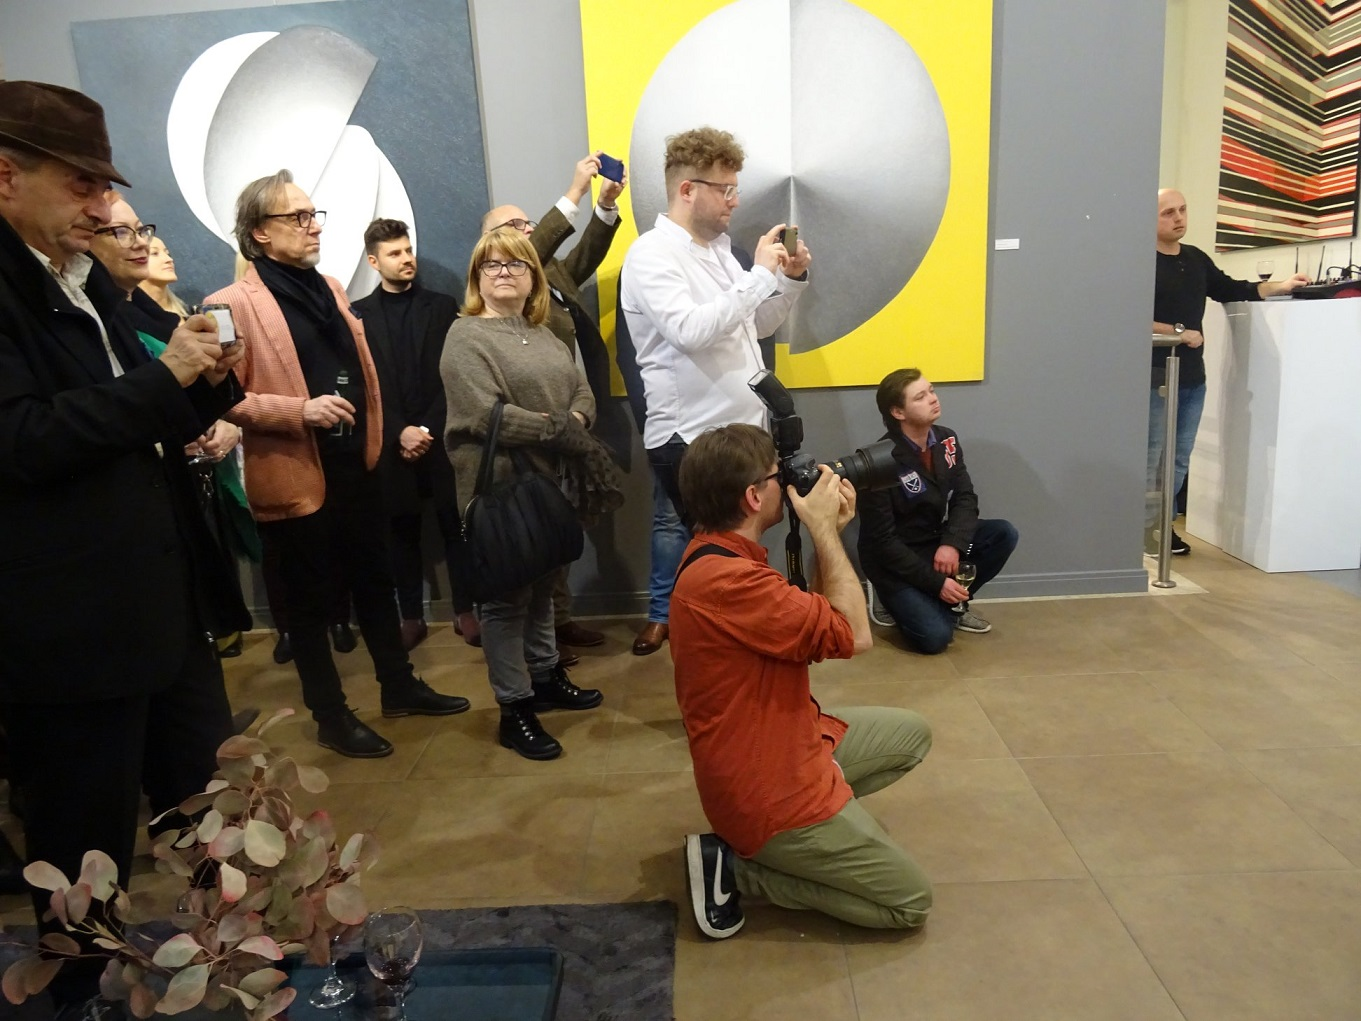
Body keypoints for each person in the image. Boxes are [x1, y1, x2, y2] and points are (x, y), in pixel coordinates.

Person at [0, 81, 251, 1015]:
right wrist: (164, 379)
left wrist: (206, 380)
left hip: (161, 603)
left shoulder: (78, 271)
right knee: (83, 847)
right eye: (83, 185)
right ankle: (80, 998)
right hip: (70, 626)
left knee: (208, 813)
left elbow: (136, 422)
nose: (104, 208)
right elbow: (22, 440)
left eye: (106, 187)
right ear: (6, 174)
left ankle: (222, 973)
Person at [204, 169, 469, 759]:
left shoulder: (329, 288)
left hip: (359, 465)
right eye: (297, 217)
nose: (313, 226)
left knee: (375, 583)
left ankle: (398, 686)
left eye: (313, 214)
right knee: (308, 607)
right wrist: (300, 411)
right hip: (296, 475)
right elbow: (223, 399)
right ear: (259, 233)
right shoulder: (229, 305)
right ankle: (330, 715)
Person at [671, 424, 933, 939]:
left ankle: (822, 835)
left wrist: (824, 532)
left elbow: (822, 625)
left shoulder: (717, 554)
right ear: (753, 497)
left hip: (787, 738)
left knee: (911, 735)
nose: (792, 482)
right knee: (910, 903)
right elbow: (856, 635)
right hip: (765, 790)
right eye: (780, 475)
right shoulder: (730, 582)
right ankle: (739, 871)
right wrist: (826, 532)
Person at [619, 126, 810, 656]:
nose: (734, 200)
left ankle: (735, 655)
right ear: (687, 190)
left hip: (738, 434)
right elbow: (689, 330)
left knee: (732, 559)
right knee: (716, 563)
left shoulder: (721, 252)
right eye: (725, 189)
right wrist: (759, 277)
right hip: (692, 438)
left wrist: (788, 280)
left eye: (734, 188)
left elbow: (756, 325)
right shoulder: (652, 254)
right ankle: (719, 659)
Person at [442, 228, 620, 761]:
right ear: (477, 278)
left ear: (533, 277)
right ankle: (514, 707)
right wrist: (559, 430)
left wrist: (575, 419)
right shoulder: (466, 337)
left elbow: (582, 389)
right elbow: (484, 415)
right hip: (498, 487)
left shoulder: (543, 333)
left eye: (516, 265)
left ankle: (544, 677)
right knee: (504, 603)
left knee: (544, 585)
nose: (504, 273)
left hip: (548, 484)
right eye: (492, 265)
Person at [89, 193, 260, 665]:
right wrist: (176, 376)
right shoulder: (107, 316)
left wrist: (215, 386)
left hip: (175, 513)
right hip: (120, 538)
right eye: (120, 231)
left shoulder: (134, 314)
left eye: (142, 229)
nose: (141, 243)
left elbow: (166, 414)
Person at [482, 152, 628, 660]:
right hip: (534, 428)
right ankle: (539, 638)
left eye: (528, 225)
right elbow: (531, 249)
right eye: (516, 227)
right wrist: (574, 191)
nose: (526, 231)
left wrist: (604, 206)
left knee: (563, 526)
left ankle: (557, 624)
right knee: (538, 533)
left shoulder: (546, 276)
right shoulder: (500, 289)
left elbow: (585, 253)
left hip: (573, 420)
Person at [1149, 188, 1308, 555]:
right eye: (1168, 212)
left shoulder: (1195, 258)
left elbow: (1231, 289)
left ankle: (1160, 528)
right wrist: (1177, 332)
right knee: (1150, 456)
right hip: (1152, 377)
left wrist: (1281, 286)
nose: (1178, 218)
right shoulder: (1139, 261)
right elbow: (1125, 313)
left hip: (1192, 378)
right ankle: (1139, 530)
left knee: (1178, 459)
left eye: (1182, 210)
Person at [352, 217, 479, 651]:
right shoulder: (358, 316)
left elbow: (455, 376)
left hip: (442, 438)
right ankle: (410, 616)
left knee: (457, 527)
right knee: (400, 533)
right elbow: (366, 386)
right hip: (392, 444)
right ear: (374, 261)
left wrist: (425, 428)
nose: (406, 259)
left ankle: (466, 611)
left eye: (408, 250)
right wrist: (399, 431)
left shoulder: (442, 307)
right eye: (394, 253)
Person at [857, 369, 1019, 654]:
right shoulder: (878, 461)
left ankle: (953, 604)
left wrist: (952, 544)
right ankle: (902, 600)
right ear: (898, 412)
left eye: (931, 390)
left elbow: (965, 497)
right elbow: (882, 542)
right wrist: (935, 583)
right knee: (934, 639)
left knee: (1003, 533)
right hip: (895, 559)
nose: (933, 399)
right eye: (920, 397)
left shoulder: (946, 439)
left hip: (934, 541)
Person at [137, 235, 190, 320]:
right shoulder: (126, 318)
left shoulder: (189, 312)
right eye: (155, 253)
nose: (169, 259)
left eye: (167, 253)